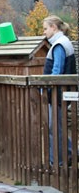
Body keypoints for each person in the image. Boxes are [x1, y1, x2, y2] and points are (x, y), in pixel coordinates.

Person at [42, 15, 76, 165]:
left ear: (53, 28)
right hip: (61, 93)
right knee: (58, 125)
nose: (44, 32)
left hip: (57, 93)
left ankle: (57, 161)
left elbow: (56, 71)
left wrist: (47, 89)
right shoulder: (64, 43)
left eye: (45, 28)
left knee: (53, 127)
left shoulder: (59, 45)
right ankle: (69, 153)